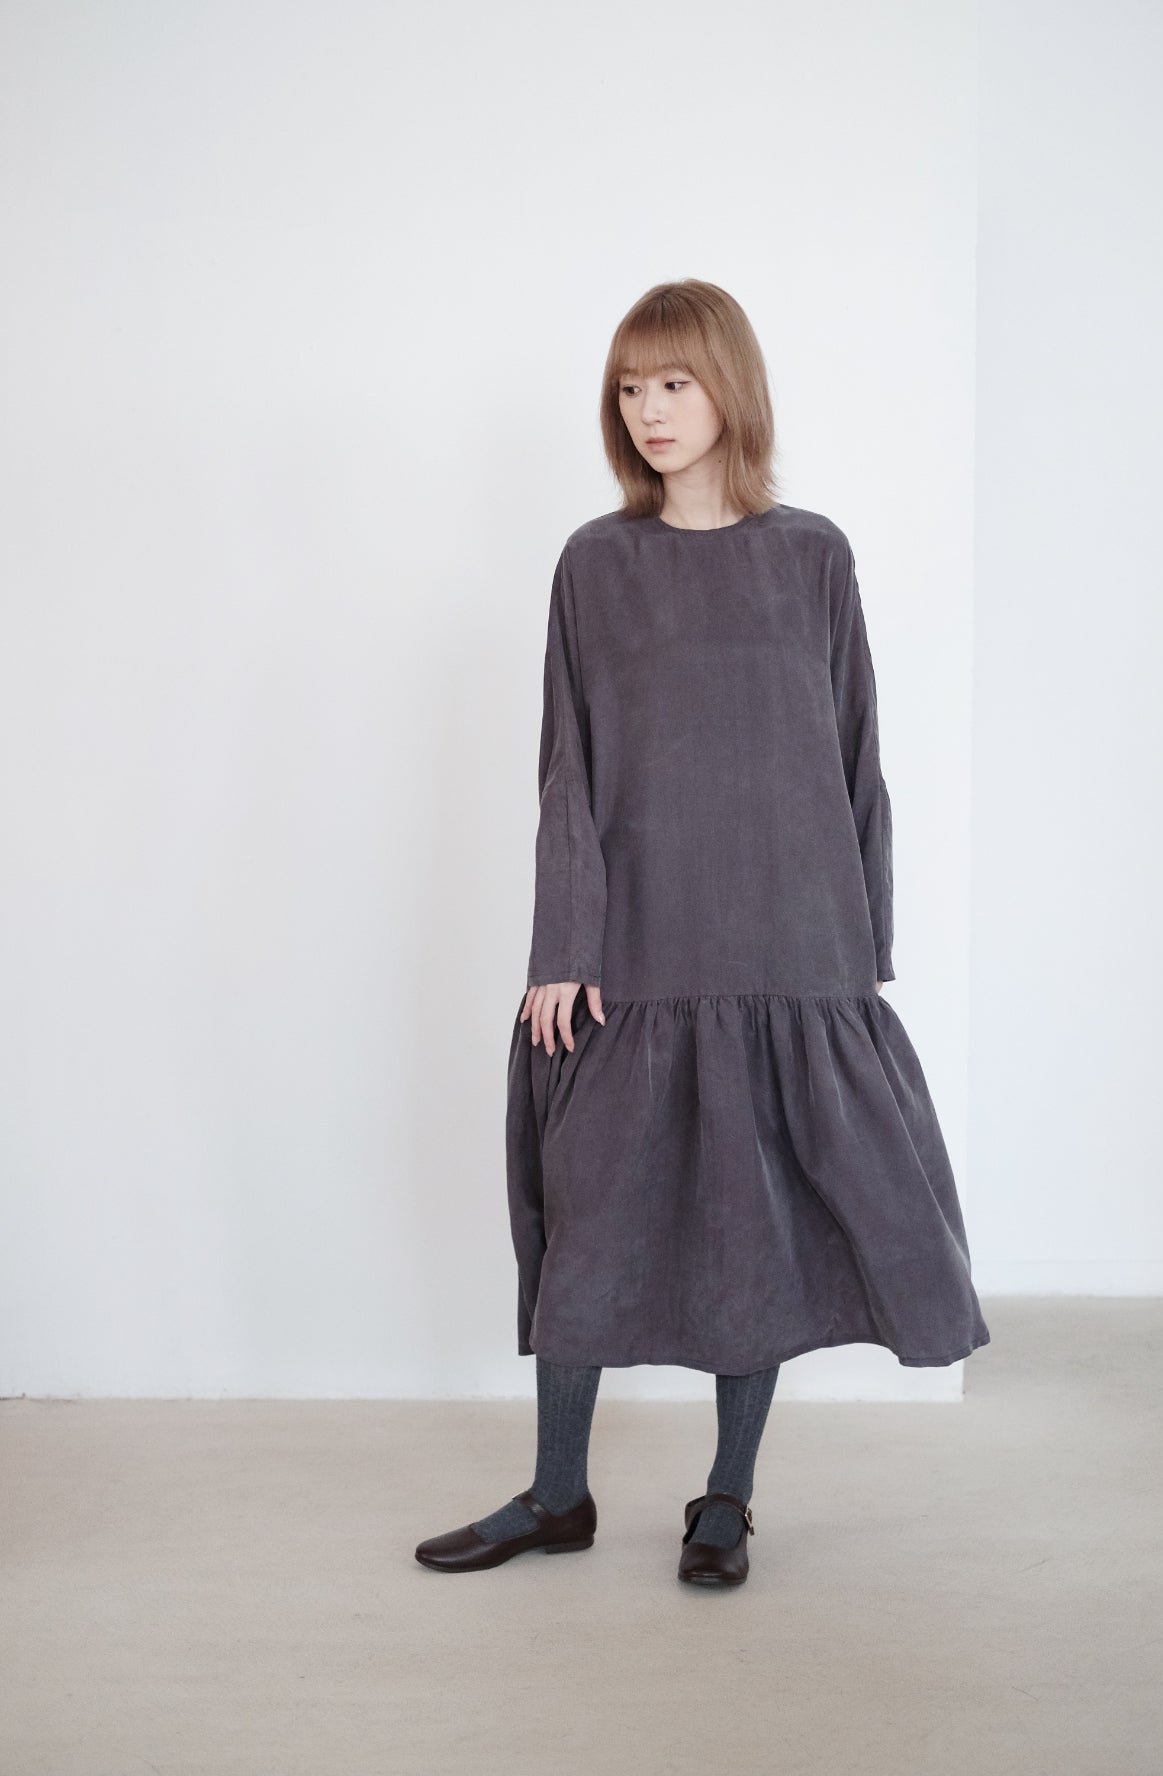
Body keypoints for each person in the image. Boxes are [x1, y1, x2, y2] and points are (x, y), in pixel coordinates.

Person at [415, 278, 990, 1587]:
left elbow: (857, 759)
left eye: (674, 381)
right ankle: (558, 1495)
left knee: (754, 1229)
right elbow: (569, 770)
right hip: (639, 949)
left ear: (731, 385)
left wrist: (857, 958)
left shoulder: (814, 557)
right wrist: (565, 945)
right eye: (630, 387)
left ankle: (726, 1498)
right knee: (590, 1216)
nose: (651, 409)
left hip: (789, 947)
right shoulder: (595, 565)